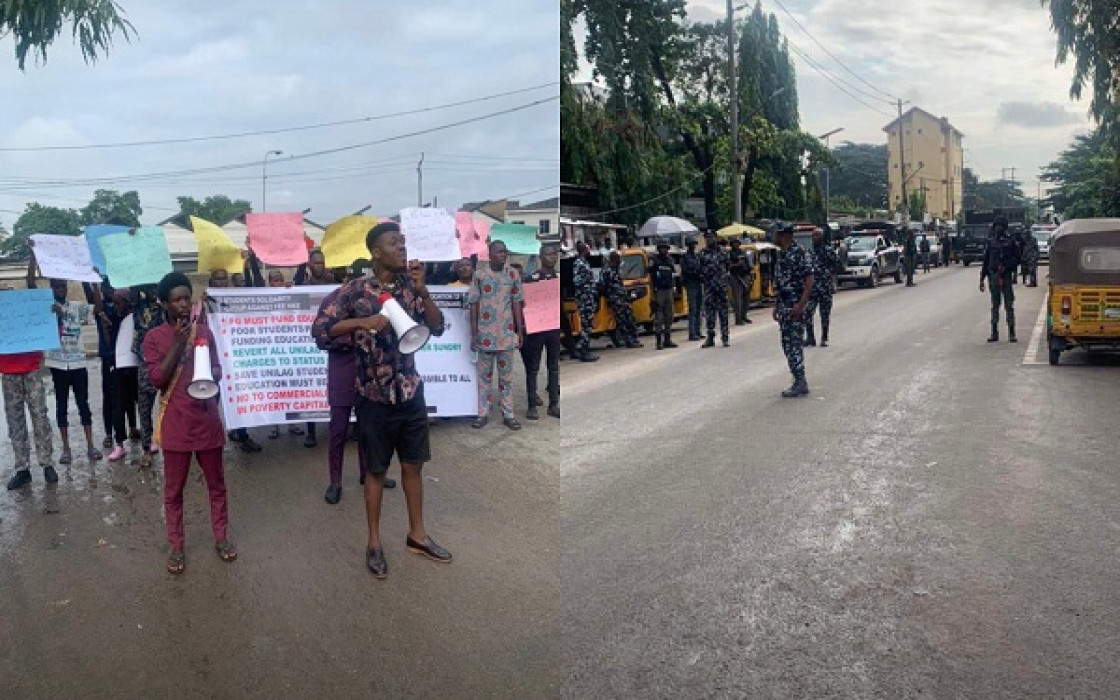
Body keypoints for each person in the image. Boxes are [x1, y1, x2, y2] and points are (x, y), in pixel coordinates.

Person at [312, 221, 452, 578]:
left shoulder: (411, 286)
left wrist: (423, 293)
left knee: (413, 466)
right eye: (394, 243)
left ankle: (417, 535)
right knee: (375, 471)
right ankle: (374, 543)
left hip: (410, 392)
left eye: (403, 242)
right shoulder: (354, 291)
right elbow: (320, 331)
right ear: (376, 252)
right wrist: (363, 322)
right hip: (373, 396)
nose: (402, 247)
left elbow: (436, 328)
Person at [142, 271, 235, 575]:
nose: (183, 305)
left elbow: (218, 367)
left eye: (187, 299)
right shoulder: (154, 338)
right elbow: (157, 380)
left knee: (217, 485)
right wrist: (178, 345)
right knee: (174, 492)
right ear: (164, 304)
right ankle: (177, 546)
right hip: (177, 426)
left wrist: (214, 375)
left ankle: (221, 538)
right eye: (177, 300)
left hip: (206, 421)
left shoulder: (204, 332)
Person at [316, 259, 397, 505]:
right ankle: (335, 482)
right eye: (355, 278)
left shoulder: (380, 300)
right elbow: (320, 334)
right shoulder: (333, 299)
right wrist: (345, 338)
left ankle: (368, 474)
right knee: (338, 429)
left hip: (368, 370)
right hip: (342, 367)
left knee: (367, 429)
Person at [4, 254, 55, 490]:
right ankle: (22, 468)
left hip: (32, 370)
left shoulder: (29, 310)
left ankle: (47, 464)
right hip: (8, 373)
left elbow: (32, 284)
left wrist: (33, 258)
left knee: (40, 417)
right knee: (15, 422)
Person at [40, 276, 102, 465]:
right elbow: (32, 286)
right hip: (58, 365)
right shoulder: (46, 309)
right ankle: (66, 449)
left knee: (83, 404)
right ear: (51, 289)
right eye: (57, 287)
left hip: (77, 364)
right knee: (61, 406)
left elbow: (97, 308)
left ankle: (91, 445)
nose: (61, 289)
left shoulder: (76, 307)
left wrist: (94, 284)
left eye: (63, 286)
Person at [468, 240, 526, 431]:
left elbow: (517, 302)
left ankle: (508, 414)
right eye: (500, 252)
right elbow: (474, 304)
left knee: (506, 378)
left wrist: (519, 329)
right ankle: (482, 414)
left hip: (507, 334)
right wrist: (474, 333)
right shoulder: (479, 275)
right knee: (484, 377)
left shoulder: (513, 274)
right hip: (485, 335)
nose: (504, 255)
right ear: (490, 254)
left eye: (505, 252)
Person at [207, 269, 263, 454]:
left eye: (224, 279)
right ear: (211, 281)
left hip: (232, 359)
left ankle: (242, 435)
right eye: (218, 278)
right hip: (212, 359)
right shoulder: (204, 303)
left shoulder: (232, 301)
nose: (222, 282)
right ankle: (206, 436)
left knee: (238, 398)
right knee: (211, 401)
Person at [773, 226, 814, 397]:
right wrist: (776, 305)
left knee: (794, 344)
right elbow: (780, 282)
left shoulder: (799, 252)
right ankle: (797, 378)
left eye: (776, 233)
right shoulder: (782, 254)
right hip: (784, 306)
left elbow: (809, 279)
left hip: (795, 305)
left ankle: (800, 381)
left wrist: (800, 305)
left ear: (784, 235)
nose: (773, 236)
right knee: (787, 345)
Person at [520, 244, 561, 420]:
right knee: (533, 368)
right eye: (548, 254)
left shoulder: (559, 278)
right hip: (536, 330)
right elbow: (524, 303)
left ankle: (554, 404)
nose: (552, 257)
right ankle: (531, 406)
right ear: (541, 257)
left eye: (555, 254)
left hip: (554, 328)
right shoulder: (531, 279)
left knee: (553, 367)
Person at [131, 285, 163, 468]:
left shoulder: (165, 307)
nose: (152, 290)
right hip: (145, 362)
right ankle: (146, 449)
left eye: (156, 287)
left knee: (171, 405)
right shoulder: (138, 305)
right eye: (149, 287)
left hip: (165, 358)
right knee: (145, 407)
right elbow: (133, 290)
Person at [979, 215, 1021, 343]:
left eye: (1000, 226)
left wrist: (1007, 266)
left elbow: (1017, 259)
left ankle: (1012, 332)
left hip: (1006, 276)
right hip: (993, 275)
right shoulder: (991, 242)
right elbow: (986, 261)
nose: (998, 228)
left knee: (1009, 305)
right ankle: (994, 332)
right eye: (996, 226)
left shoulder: (1010, 242)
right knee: (995, 305)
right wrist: (982, 278)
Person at [804, 228, 838, 348]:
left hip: (825, 287)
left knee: (825, 314)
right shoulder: (809, 252)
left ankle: (824, 338)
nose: (814, 238)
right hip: (812, 289)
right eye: (813, 236)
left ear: (822, 237)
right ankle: (810, 337)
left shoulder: (828, 251)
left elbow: (836, 266)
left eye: (817, 236)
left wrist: (833, 282)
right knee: (807, 312)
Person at [601, 251, 641, 349]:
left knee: (630, 319)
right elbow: (603, 286)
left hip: (623, 298)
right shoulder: (607, 271)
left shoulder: (616, 270)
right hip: (616, 300)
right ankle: (628, 341)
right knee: (622, 321)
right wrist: (610, 297)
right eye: (618, 259)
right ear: (614, 260)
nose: (620, 261)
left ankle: (634, 339)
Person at [698, 230, 730, 347]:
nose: (709, 239)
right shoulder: (702, 253)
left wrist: (723, 280)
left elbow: (727, 266)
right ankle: (710, 338)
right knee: (709, 314)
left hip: (721, 287)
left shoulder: (723, 252)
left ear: (716, 237)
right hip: (709, 288)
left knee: (723, 313)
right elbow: (699, 270)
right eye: (707, 238)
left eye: (711, 237)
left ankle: (725, 337)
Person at [571, 242, 599, 362]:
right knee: (586, 325)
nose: (589, 251)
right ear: (584, 250)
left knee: (588, 325)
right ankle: (584, 351)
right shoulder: (579, 263)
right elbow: (577, 281)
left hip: (588, 297)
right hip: (584, 298)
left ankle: (584, 348)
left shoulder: (584, 262)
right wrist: (587, 285)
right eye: (587, 249)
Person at [648, 241, 678, 350]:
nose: (663, 250)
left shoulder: (670, 260)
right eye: (661, 248)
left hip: (668, 290)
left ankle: (667, 340)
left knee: (669, 316)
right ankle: (659, 342)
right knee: (659, 318)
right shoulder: (654, 261)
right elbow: (651, 276)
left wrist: (674, 288)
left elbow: (673, 274)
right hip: (658, 291)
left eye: (665, 248)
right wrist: (652, 293)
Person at [681, 238, 704, 341]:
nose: (693, 246)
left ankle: (698, 331)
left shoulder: (697, 256)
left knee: (699, 309)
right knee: (693, 309)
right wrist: (695, 272)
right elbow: (685, 271)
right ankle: (692, 333)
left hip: (698, 283)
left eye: (694, 244)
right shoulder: (685, 258)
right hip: (691, 283)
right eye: (691, 244)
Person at [728, 238, 752, 325]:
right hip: (735, 277)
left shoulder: (742, 252)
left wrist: (749, 274)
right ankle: (738, 319)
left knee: (746, 298)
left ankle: (743, 315)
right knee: (737, 299)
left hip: (745, 276)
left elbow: (748, 264)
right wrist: (737, 264)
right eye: (734, 243)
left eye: (737, 243)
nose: (736, 245)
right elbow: (728, 266)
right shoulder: (729, 254)